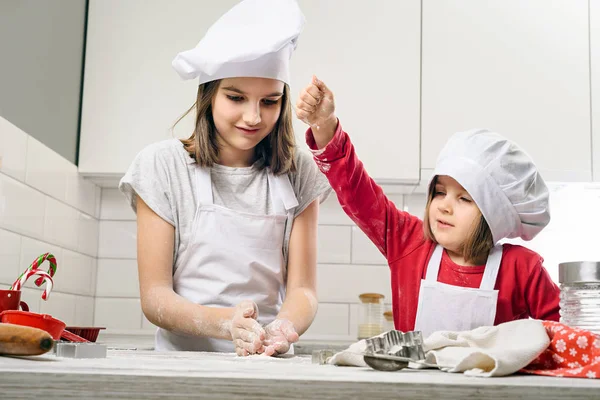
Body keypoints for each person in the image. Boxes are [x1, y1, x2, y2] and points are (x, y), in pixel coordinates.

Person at [119, 0, 330, 356]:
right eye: (236, 97)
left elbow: (303, 291)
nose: (253, 117)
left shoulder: (298, 171)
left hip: (265, 365)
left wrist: (283, 328)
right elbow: (155, 297)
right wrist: (224, 323)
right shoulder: (161, 167)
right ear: (209, 95)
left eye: (269, 101)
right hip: (182, 370)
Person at [295, 76, 560, 338]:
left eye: (464, 199)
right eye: (440, 192)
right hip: (416, 382)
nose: (444, 206)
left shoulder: (523, 269)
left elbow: (563, 334)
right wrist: (325, 125)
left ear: (495, 217)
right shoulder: (410, 243)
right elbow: (357, 192)